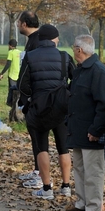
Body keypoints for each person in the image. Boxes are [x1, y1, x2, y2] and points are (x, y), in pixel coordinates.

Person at [18, 24, 75, 199]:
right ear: (55, 39)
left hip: (38, 109)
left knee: (41, 147)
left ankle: (47, 188)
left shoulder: (30, 56)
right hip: (61, 108)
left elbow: (22, 85)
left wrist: (32, 97)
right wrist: (66, 92)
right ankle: (66, 186)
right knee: (63, 148)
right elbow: (76, 78)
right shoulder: (65, 57)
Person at [65, 35, 105, 211]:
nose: (73, 50)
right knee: (79, 168)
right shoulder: (81, 70)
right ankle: (82, 203)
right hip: (78, 129)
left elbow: (104, 104)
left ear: (79, 49)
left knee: (93, 171)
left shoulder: (98, 71)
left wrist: (96, 130)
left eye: (74, 47)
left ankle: (93, 208)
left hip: (91, 132)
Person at [15, 11, 41, 187]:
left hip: (36, 98)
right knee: (35, 137)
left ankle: (40, 174)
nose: (17, 26)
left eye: (18, 23)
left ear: (24, 23)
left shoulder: (36, 41)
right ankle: (37, 170)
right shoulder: (32, 40)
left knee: (39, 137)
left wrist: (29, 96)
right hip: (31, 97)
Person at [0, 39, 21, 107]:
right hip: (18, 74)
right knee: (17, 90)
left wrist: (2, 73)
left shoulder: (11, 52)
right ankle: (17, 104)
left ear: (10, 46)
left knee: (11, 90)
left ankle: (10, 103)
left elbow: (8, 64)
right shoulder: (20, 52)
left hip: (12, 75)